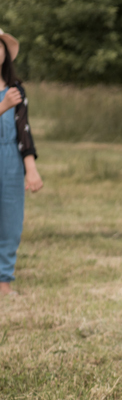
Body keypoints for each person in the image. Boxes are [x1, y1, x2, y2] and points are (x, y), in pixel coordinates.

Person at [0, 28, 42, 295]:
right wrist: (2, 106)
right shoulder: (8, 98)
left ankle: (3, 278)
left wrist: (31, 169)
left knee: (11, 220)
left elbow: (23, 131)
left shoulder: (16, 90)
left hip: (11, 160)